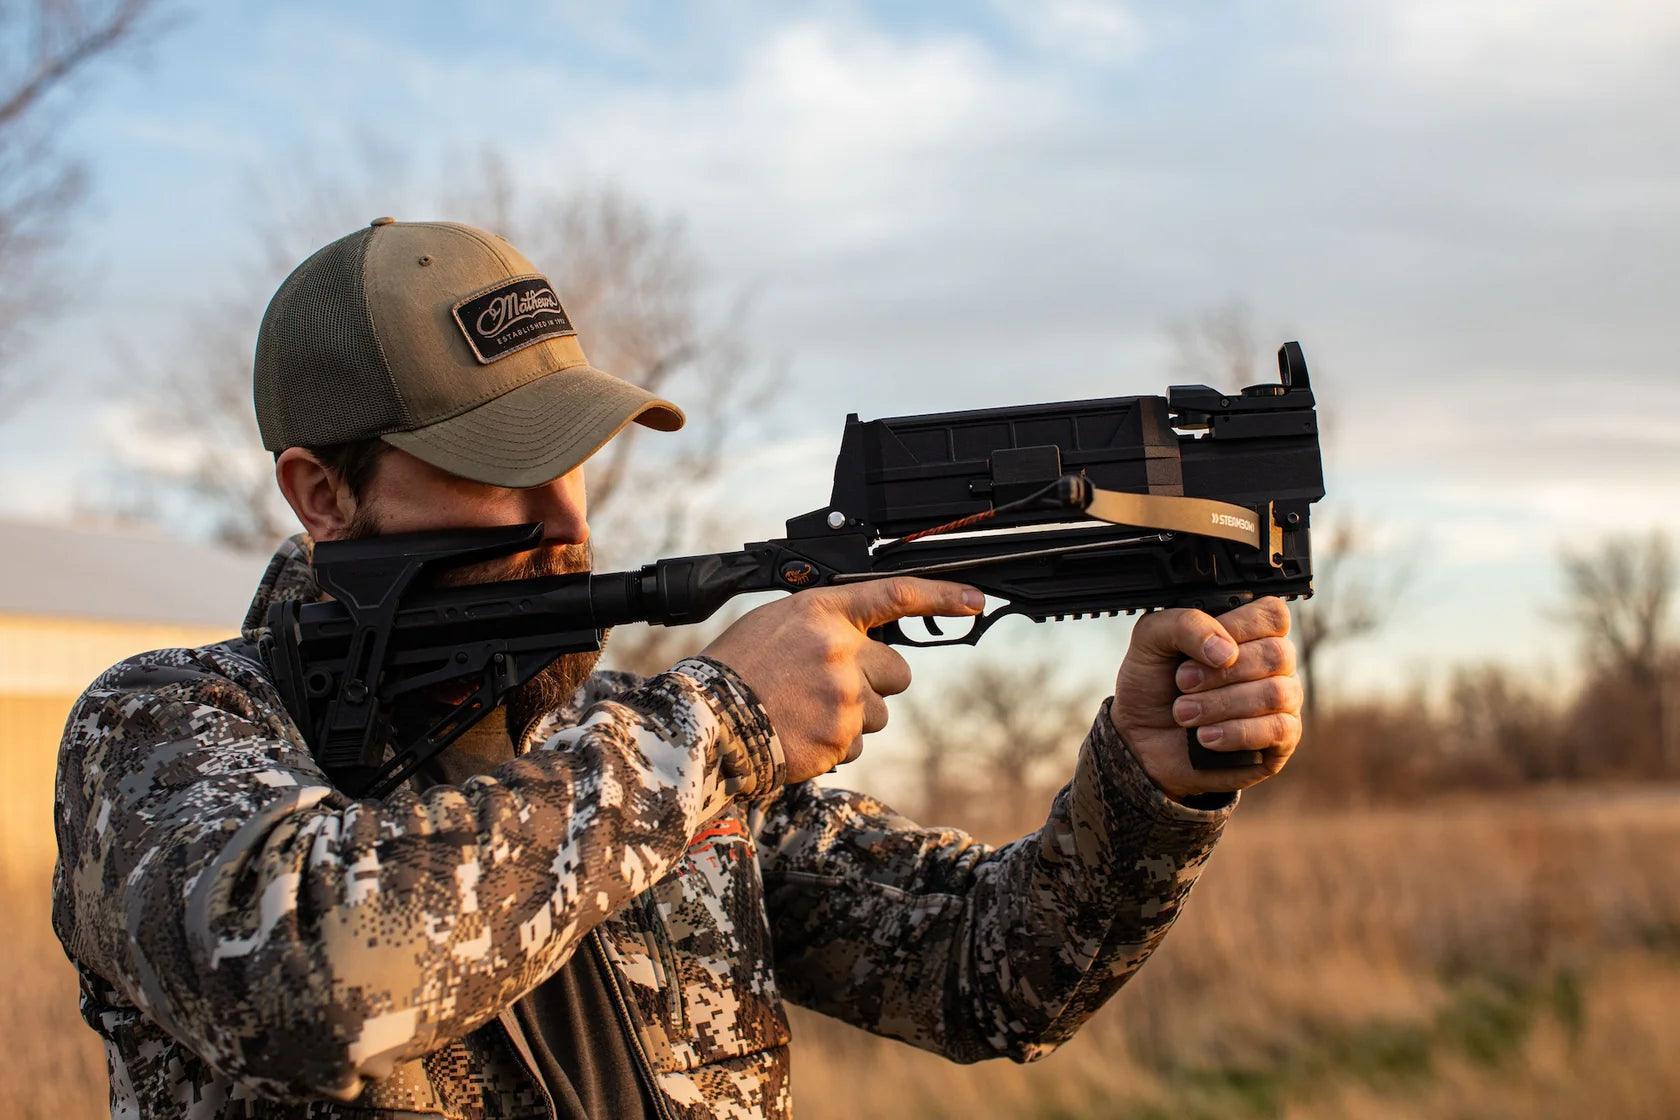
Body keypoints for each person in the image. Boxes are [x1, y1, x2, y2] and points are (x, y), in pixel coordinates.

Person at [52, 218, 1304, 1120]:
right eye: (500, 462)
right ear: (322, 494)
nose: (565, 513)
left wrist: (1152, 784)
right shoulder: (171, 725)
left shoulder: (611, 738)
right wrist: (714, 727)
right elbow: (314, 977)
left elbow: (985, 974)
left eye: (575, 453)